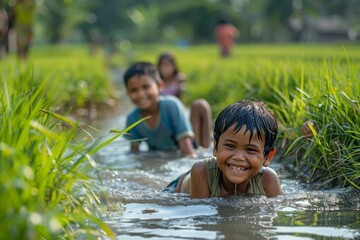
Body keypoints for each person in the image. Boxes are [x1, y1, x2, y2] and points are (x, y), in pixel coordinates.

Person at [165, 99, 282, 198]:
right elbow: (201, 217)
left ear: (267, 156)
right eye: (230, 146)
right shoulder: (200, 171)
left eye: (251, 150)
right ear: (215, 147)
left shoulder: (268, 179)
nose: (238, 157)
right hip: (177, 187)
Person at [123, 61, 197, 157]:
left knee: (199, 106)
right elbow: (134, 154)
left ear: (159, 86)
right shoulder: (132, 119)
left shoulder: (171, 106)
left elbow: (188, 153)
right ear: (128, 93)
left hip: (186, 149)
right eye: (134, 90)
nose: (140, 94)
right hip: (162, 156)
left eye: (146, 87)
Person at [157, 52, 212, 148]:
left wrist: (182, 89)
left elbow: (185, 98)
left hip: (179, 110)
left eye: (168, 65)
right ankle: (194, 145)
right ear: (159, 67)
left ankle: (204, 148)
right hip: (165, 115)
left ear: (174, 66)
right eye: (163, 66)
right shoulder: (157, 83)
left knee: (201, 105)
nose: (166, 69)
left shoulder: (178, 79)